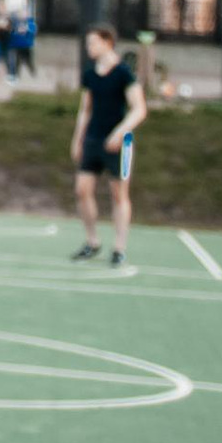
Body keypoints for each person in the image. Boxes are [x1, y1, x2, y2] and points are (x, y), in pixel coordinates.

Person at [71, 21, 147, 267]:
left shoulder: (124, 73)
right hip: (93, 138)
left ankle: (119, 248)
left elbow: (139, 110)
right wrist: (78, 139)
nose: (89, 47)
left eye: (93, 42)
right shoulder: (90, 74)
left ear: (107, 42)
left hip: (120, 144)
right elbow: (85, 110)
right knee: (82, 189)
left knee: (119, 194)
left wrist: (120, 132)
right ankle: (92, 241)